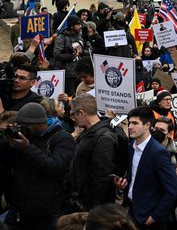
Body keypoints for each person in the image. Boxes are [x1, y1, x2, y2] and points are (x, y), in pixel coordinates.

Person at [0, 102, 76, 230]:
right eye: (19, 125)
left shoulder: (62, 138)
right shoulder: (23, 137)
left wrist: (27, 148)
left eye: (25, 126)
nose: (22, 129)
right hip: (19, 210)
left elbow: (54, 167)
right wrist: (6, 141)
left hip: (48, 214)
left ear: (40, 124)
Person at [113, 106, 177, 229]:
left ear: (147, 125)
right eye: (129, 123)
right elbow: (137, 178)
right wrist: (122, 188)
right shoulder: (132, 145)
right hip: (132, 212)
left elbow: (173, 188)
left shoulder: (157, 152)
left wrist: (154, 216)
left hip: (150, 220)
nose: (130, 127)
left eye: (135, 123)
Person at [69, 94, 120, 210]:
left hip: (93, 206)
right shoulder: (88, 133)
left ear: (81, 113)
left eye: (73, 114)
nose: (73, 119)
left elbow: (102, 177)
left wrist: (94, 210)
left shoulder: (103, 138)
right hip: (83, 202)